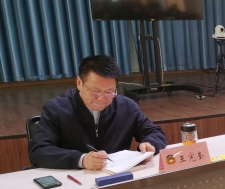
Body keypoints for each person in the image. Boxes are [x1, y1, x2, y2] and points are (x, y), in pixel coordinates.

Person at [29, 55, 167, 170]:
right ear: (79, 83)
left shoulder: (126, 107)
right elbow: (38, 151)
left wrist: (150, 143)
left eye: (109, 91)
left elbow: (155, 133)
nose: (102, 98)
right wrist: (81, 160)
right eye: (95, 91)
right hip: (74, 181)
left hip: (116, 179)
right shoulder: (56, 109)